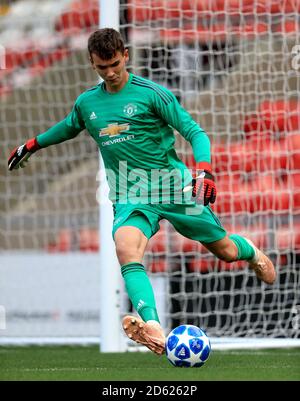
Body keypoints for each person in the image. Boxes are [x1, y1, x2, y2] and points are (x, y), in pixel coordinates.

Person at [8, 28, 276, 356]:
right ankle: (153, 326)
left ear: (126, 56)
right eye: (102, 67)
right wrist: (32, 144)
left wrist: (204, 171)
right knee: (126, 248)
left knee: (225, 251)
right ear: (92, 63)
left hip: (174, 186)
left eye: (115, 65)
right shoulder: (87, 103)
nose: (110, 72)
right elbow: (68, 127)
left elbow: (194, 131)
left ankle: (251, 251)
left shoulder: (152, 94)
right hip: (130, 191)